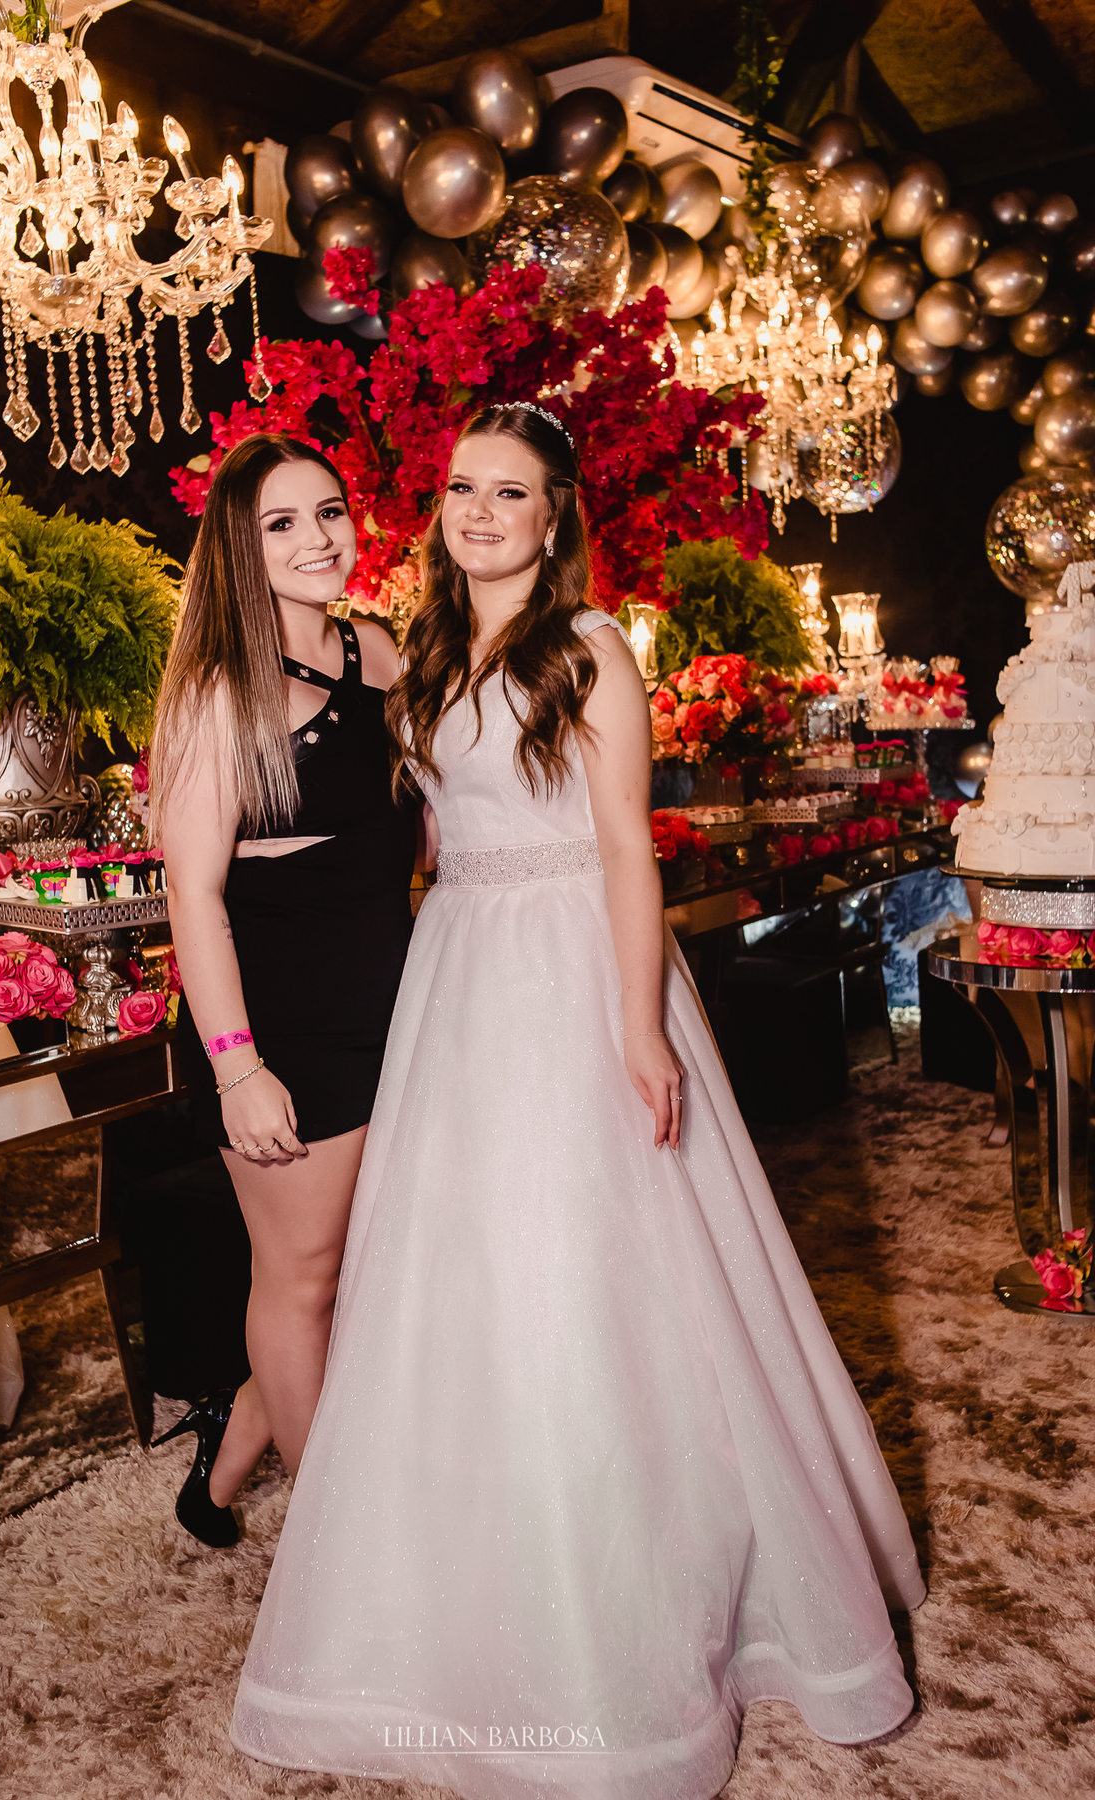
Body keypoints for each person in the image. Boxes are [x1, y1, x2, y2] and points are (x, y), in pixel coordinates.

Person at [230, 404, 926, 1796]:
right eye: (460, 488)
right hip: (455, 968)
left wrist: (640, 1026)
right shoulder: (419, 650)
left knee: (592, 1262)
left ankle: (659, 1577)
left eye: (511, 493)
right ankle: (459, 1555)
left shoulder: (591, 647)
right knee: (460, 1273)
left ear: (555, 520)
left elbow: (623, 848)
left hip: (572, 964)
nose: (479, 512)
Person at [148, 433, 416, 1548]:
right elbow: (194, 897)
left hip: (399, 1000)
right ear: (239, 547)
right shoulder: (221, 692)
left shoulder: (380, 649)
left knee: (372, 1270)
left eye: (331, 511)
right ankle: (341, 1558)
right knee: (303, 1284)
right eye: (282, 523)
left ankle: (223, 1459)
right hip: (280, 1027)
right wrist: (238, 1069)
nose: (319, 538)